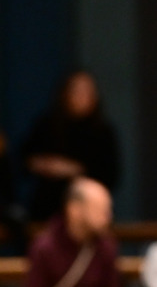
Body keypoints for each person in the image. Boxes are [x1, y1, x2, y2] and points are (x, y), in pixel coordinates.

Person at [21, 177, 141, 287]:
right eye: (100, 209)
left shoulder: (106, 246)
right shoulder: (45, 248)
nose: (108, 216)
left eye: (108, 209)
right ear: (74, 209)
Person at [23, 70, 122, 222]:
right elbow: (24, 159)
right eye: (76, 91)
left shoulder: (103, 132)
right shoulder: (47, 125)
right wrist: (45, 165)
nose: (81, 97)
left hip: (91, 212)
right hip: (48, 210)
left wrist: (73, 170)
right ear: (65, 93)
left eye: (87, 91)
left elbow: (111, 175)